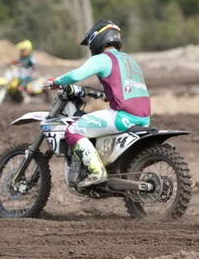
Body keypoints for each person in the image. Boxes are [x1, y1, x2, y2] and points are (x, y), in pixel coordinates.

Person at [45, 20, 151, 188]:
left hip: (122, 116)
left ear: (97, 39)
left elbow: (75, 75)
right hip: (144, 117)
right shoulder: (129, 60)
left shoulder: (104, 58)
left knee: (72, 130)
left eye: (89, 43)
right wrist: (106, 95)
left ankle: (96, 172)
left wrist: (55, 82)